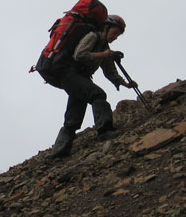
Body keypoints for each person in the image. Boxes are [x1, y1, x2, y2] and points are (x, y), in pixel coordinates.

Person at [36, 14, 138, 158]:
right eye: (115, 33)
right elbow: (79, 54)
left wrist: (126, 84)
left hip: (79, 77)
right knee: (98, 95)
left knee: (74, 114)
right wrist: (102, 54)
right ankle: (105, 130)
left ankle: (60, 151)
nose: (115, 37)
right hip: (69, 74)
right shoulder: (93, 37)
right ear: (106, 27)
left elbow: (110, 72)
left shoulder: (105, 47)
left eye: (117, 36)